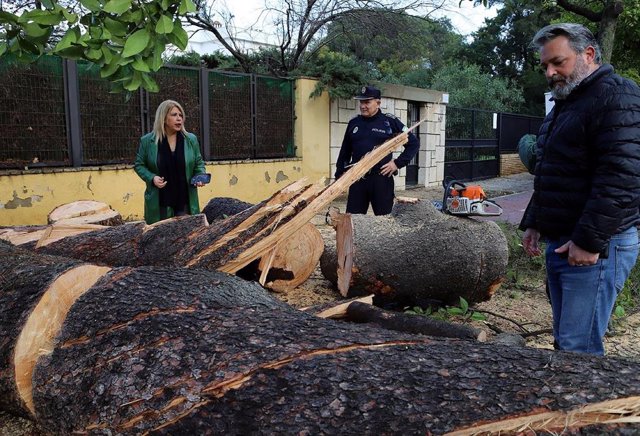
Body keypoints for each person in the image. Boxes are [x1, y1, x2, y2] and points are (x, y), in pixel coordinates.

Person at [520, 23, 640, 355]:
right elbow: (551, 170)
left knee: (579, 349)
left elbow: (622, 177)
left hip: (598, 245)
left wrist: (588, 242)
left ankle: (590, 407)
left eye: (558, 62)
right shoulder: (567, 102)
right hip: (563, 240)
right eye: (545, 65)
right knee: (567, 341)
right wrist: (534, 221)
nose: (550, 72)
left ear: (588, 54)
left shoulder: (618, 96)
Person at [335, 85, 420, 215]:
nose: (363, 106)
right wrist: (339, 175)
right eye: (361, 102)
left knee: (384, 221)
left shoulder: (390, 122)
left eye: (367, 102)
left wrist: (397, 163)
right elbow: (345, 151)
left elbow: (413, 143)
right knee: (353, 220)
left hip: (381, 179)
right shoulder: (354, 123)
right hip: (357, 179)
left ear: (378, 103)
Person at [134, 100, 207, 224]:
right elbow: (139, 165)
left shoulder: (190, 140)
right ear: (163, 118)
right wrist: (152, 178)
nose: (179, 119)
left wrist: (199, 176)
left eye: (181, 115)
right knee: (160, 239)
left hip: (184, 201)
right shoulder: (147, 141)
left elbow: (198, 163)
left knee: (187, 238)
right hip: (160, 201)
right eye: (174, 115)